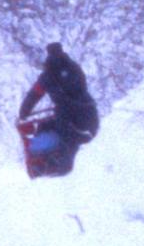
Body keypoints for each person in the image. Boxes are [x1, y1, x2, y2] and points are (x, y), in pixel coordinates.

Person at [16, 41, 101, 179]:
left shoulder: (48, 76)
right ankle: (61, 163)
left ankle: (59, 169)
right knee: (58, 128)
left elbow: (34, 95)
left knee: (53, 131)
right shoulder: (75, 69)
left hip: (71, 120)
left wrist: (23, 113)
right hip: (90, 115)